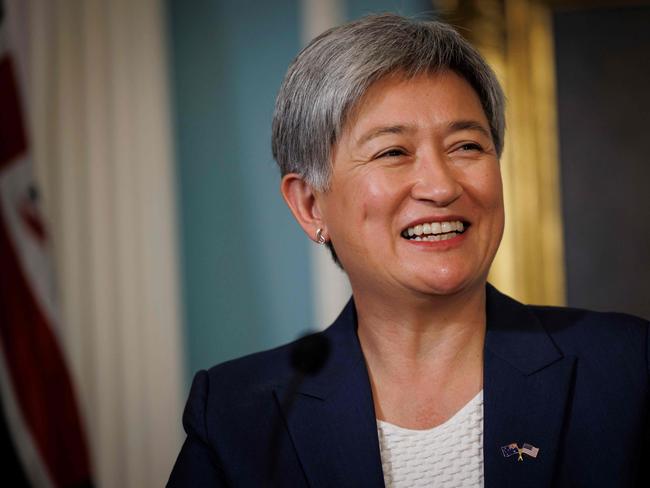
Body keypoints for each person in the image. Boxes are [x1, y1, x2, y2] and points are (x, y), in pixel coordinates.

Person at [168, 14, 649, 487]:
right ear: (311, 205)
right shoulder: (238, 416)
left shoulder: (627, 368)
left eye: (466, 146)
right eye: (392, 152)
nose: (441, 187)